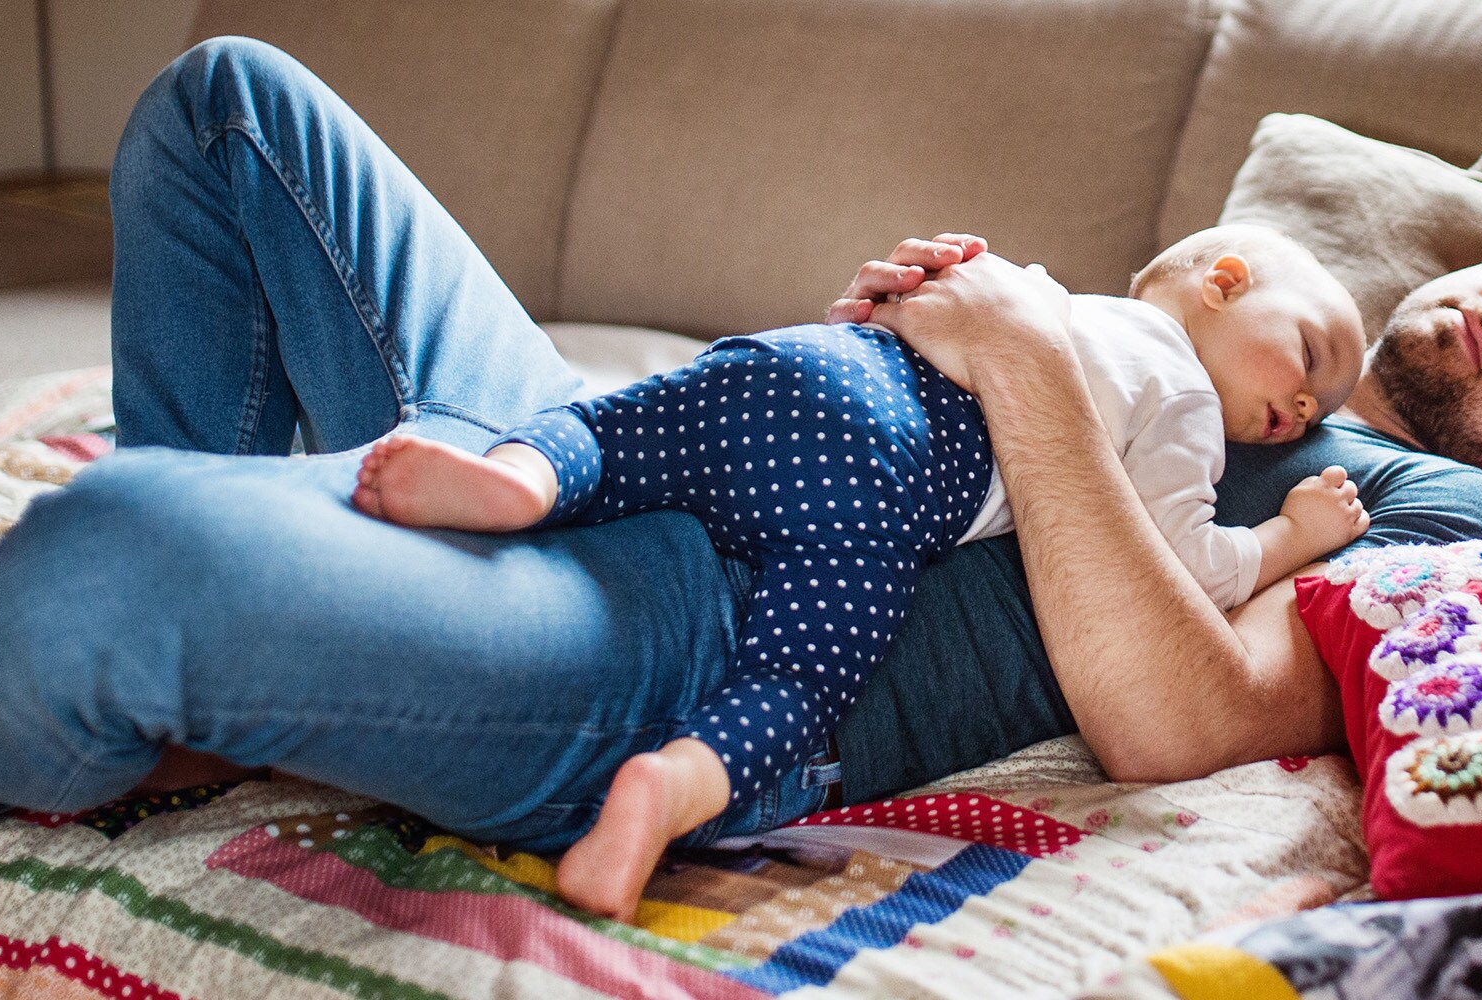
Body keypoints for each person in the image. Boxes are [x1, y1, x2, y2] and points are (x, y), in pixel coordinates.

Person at [0, 37, 1482, 871]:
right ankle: (217, 662)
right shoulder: (1227, 303)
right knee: (227, 106)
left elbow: (1194, 720)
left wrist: (1022, 374)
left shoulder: (1425, 515)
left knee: (105, 549)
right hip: (612, 437)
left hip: (667, 635)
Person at [357, 223, 1368, 917]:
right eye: (1309, 356)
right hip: (884, 485)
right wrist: (1286, 538)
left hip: (809, 370)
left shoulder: (1037, 290)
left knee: (620, 427)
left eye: (1323, 407)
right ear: (1223, 282)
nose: (1307, 408)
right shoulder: (1184, 399)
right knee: (799, 675)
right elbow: (1187, 563)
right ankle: (671, 787)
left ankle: (522, 481)